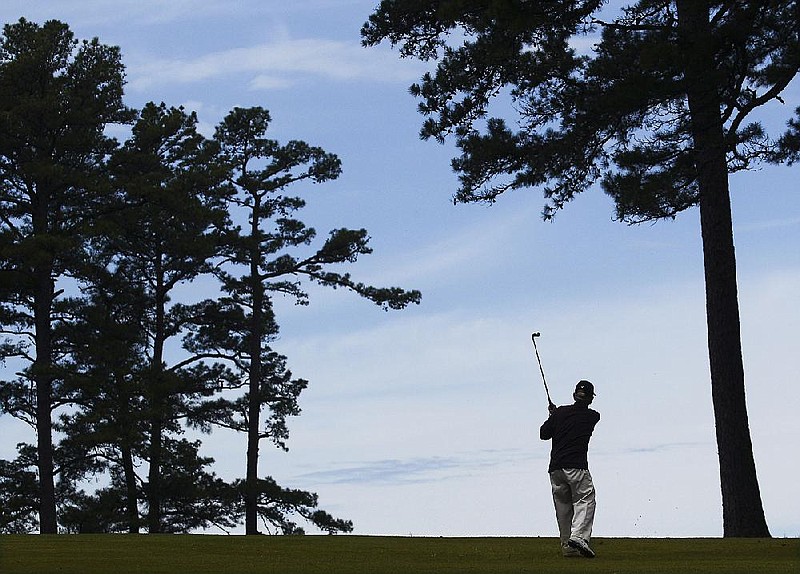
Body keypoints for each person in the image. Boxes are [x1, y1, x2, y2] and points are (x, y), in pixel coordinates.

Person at [539, 380, 600, 558]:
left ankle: (569, 547)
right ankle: (579, 537)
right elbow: (577, 417)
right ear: (590, 399)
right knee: (586, 499)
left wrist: (553, 415)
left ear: (574, 395)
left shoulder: (560, 413)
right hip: (576, 466)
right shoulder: (593, 416)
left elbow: (544, 434)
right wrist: (556, 414)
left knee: (563, 507)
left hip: (556, 468)